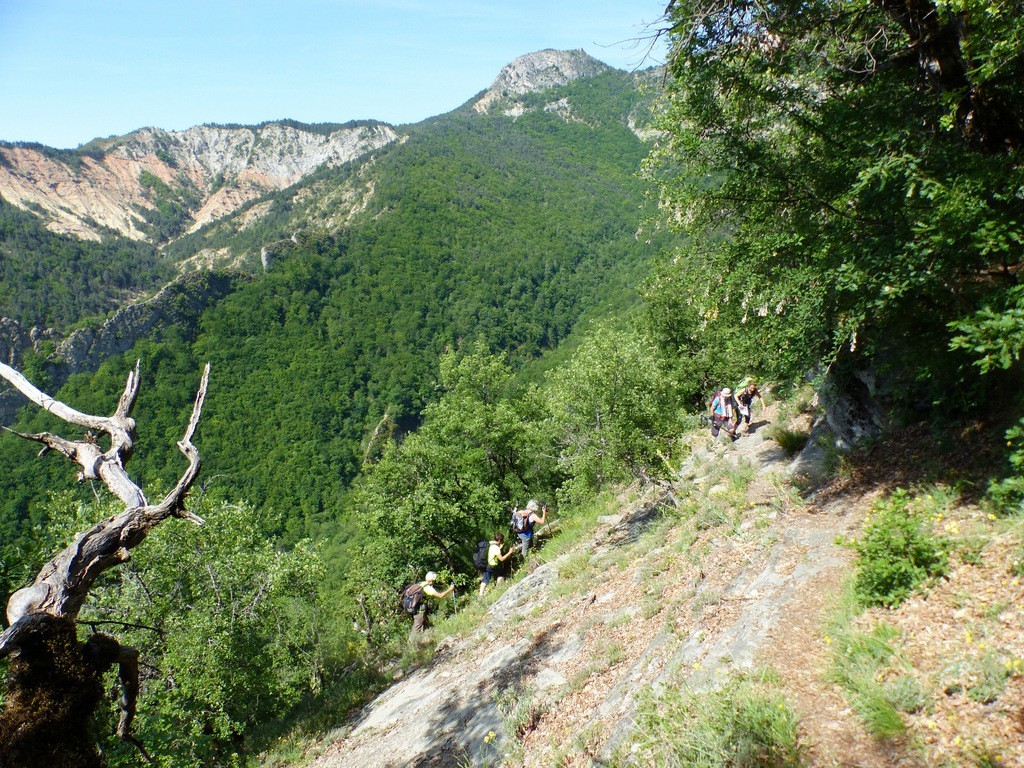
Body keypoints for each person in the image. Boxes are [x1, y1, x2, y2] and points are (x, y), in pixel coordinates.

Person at [409, 571, 454, 636]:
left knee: (424, 626)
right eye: (434, 580)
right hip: (420, 611)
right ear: (431, 580)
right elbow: (440, 596)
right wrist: (450, 589)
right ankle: (411, 644)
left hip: (416, 609)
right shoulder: (428, 588)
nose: (434, 581)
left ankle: (424, 641)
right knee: (416, 630)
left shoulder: (422, 583)